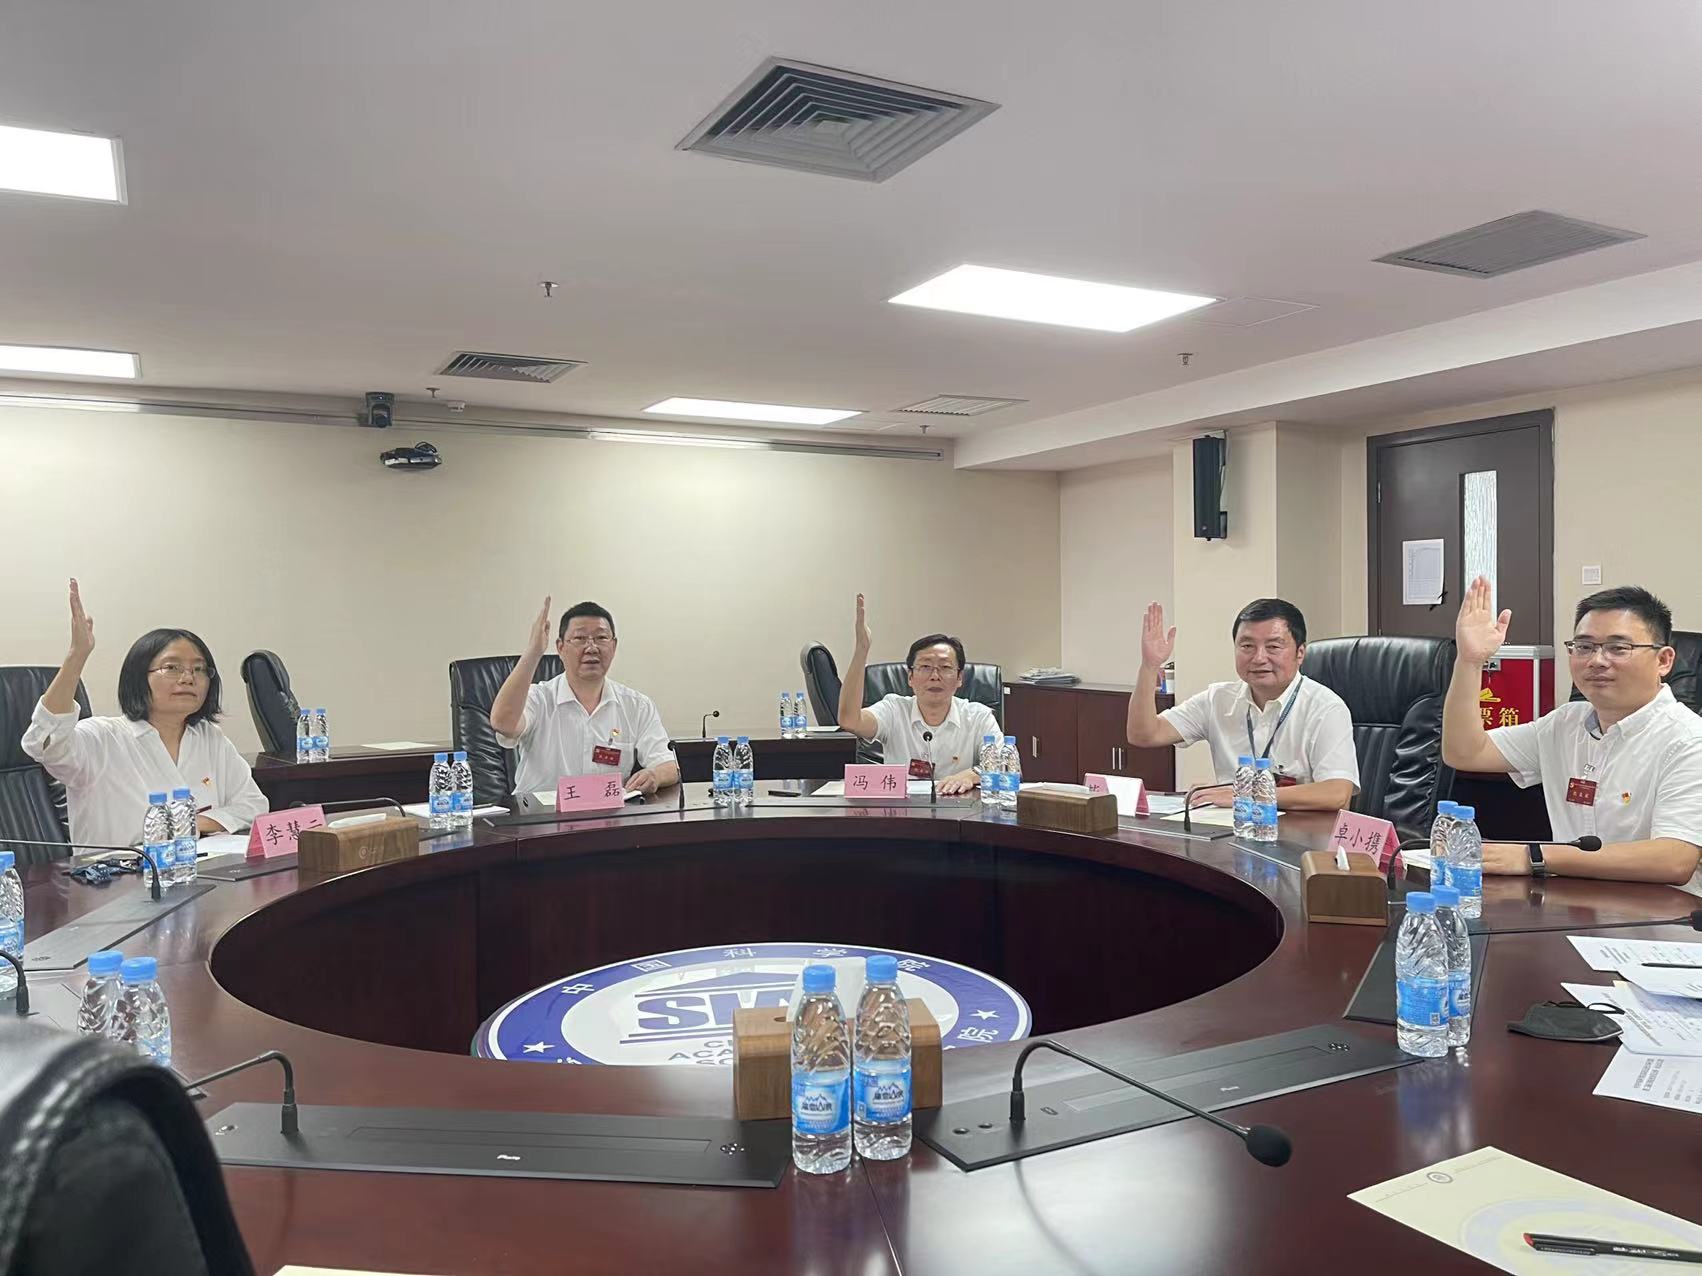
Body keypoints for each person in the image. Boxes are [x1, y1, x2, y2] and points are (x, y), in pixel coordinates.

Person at [1442, 578, 1701, 891]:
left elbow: (1674, 858)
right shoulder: (1565, 724)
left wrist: (1534, 856)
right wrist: (1470, 661)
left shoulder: (1689, 740)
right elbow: (1465, 752)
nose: (1597, 660)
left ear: (1663, 660)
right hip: (1571, 905)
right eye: (1584, 647)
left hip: (1662, 914)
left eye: (1618, 648)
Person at [22, 579, 268, 848]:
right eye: (172, 667)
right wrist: (77, 656)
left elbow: (252, 804)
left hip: (201, 867)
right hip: (117, 872)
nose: (188, 678)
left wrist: (192, 824)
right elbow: (45, 743)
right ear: (139, 678)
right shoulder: (103, 737)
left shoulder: (210, 738)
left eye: (199, 669)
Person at [1125, 598, 1359, 810]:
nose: (1259, 658)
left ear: (1300, 653)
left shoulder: (1325, 708)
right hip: (1232, 831)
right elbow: (1143, 735)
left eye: (1273, 647)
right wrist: (1149, 666)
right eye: (1247, 646)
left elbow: (1337, 793)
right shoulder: (1218, 699)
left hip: (1301, 836)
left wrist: (1244, 795)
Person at [490, 597, 678, 798]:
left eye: (601, 638)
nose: (591, 647)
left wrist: (655, 775)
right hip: (541, 815)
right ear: (560, 647)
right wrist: (534, 652)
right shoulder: (539, 699)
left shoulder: (637, 706)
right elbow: (503, 723)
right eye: (580, 638)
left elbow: (669, 764)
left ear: (614, 646)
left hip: (609, 814)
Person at [836, 595, 1000, 796]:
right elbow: (849, 720)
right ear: (910, 677)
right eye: (925, 667)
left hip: (962, 809)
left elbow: (1006, 767)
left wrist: (972, 774)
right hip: (901, 811)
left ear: (959, 678)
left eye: (945, 667)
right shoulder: (894, 710)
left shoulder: (978, 717)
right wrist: (861, 650)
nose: (935, 676)